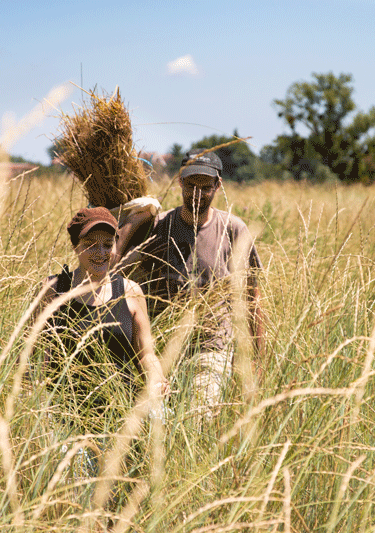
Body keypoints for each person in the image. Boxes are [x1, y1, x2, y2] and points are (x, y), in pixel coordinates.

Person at [117, 148, 264, 419]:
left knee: (197, 420)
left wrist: (257, 357)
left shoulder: (233, 230)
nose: (197, 193)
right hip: (161, 347)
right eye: (191, 185)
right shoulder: (159, 227)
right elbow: (114, 270)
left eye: (205, 187)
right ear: (180, 182)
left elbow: (252, 296)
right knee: (157, 424)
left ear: (218, 186)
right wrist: (135, 221)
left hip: (212, 346)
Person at [38, 206, 168, 419]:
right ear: (75, 247)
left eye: (108, 245)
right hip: (65, 413)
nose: (101, 253)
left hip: (120, 411)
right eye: (90, 245)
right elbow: (34, 352)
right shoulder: (54, 289)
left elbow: (146, 354)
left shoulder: (130, 291)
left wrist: (156, 379)